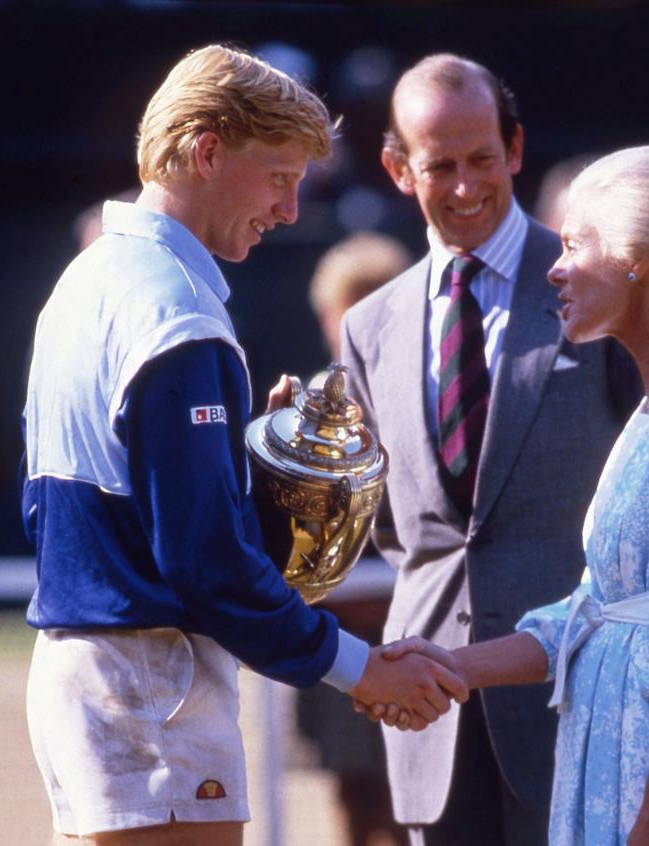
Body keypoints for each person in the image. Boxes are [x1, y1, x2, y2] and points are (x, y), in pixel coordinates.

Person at [20, 45, 466, 846]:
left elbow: (83, 515)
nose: (290, 209)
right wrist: (363, 668)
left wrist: (247, 470)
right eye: (279, 177)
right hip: (154, 696)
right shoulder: (177, 311)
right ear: (207, 150)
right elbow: (204, 563)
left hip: (81, 686)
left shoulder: (82, 285)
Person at [377, 144, 649, 845]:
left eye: (575, 243)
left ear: (638, 255)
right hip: (613, 761)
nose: (553, 265)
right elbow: (595, 614)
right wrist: (450, 665)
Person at [340, 54, 639, 845]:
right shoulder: (369, 327)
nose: (467, 186)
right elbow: (399, 534)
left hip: (580, 702)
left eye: (483, 159)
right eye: (441, 165)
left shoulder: (596, 285)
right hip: (428, 713)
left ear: (515, 149)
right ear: (399, 170)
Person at [297, 232, 412, 846]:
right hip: (339, 638)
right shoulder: (313, 406)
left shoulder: (422, 393)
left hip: (410, 632)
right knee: (354, 794)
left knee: (408, 797)